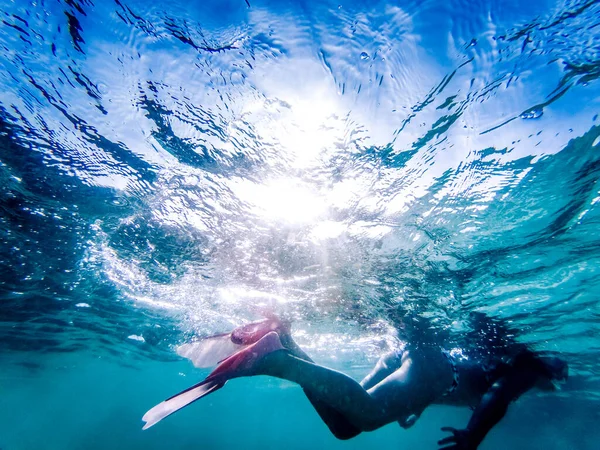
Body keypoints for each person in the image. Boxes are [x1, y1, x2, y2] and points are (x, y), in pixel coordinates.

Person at [142, 316, 568, 449]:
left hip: (420, 357)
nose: (559, 377)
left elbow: (468, 384)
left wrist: (418, 405)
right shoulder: (531, 367)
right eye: (559, 370)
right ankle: (274, 360)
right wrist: (475, 436)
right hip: (436, 363)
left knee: (346, 422)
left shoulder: (497, 356)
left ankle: (285, 343)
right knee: (367, 417)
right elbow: (493, 395)